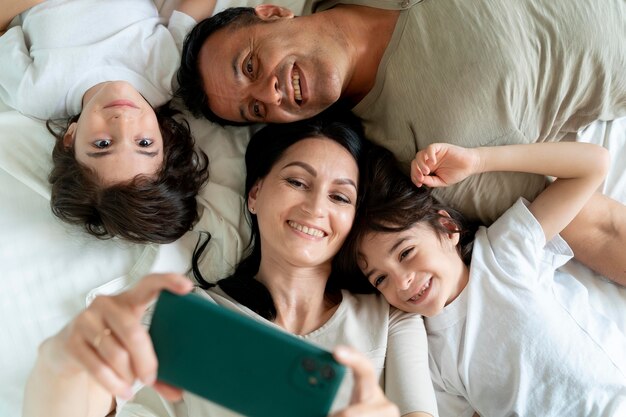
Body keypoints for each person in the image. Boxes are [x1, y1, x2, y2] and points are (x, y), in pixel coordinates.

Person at [175, 1, 626, 284]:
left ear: (273, 12)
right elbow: (601, 229)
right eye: (255, 110)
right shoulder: (429, 157)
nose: (269, 94)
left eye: (250, 65)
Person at [22, 112, 438, 417]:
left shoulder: (389, 319)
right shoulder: (189, 315)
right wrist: (62, 367)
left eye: (340, 197)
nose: (315, 207)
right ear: (255, 195)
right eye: (297, 181)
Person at [336, 139, 626, 416]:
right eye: (380, 280)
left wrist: (478, 160)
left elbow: (593, 164)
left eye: (406, 253)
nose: (401, 283)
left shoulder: (502, 253)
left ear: (448, 228)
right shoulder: (430, 357)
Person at [0, 0, 217, 243]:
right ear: (164, 137)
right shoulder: (167, 74)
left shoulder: (35, 93)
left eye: (102, 144)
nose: (122, 122)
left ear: (70, 138)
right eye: (144, 143)